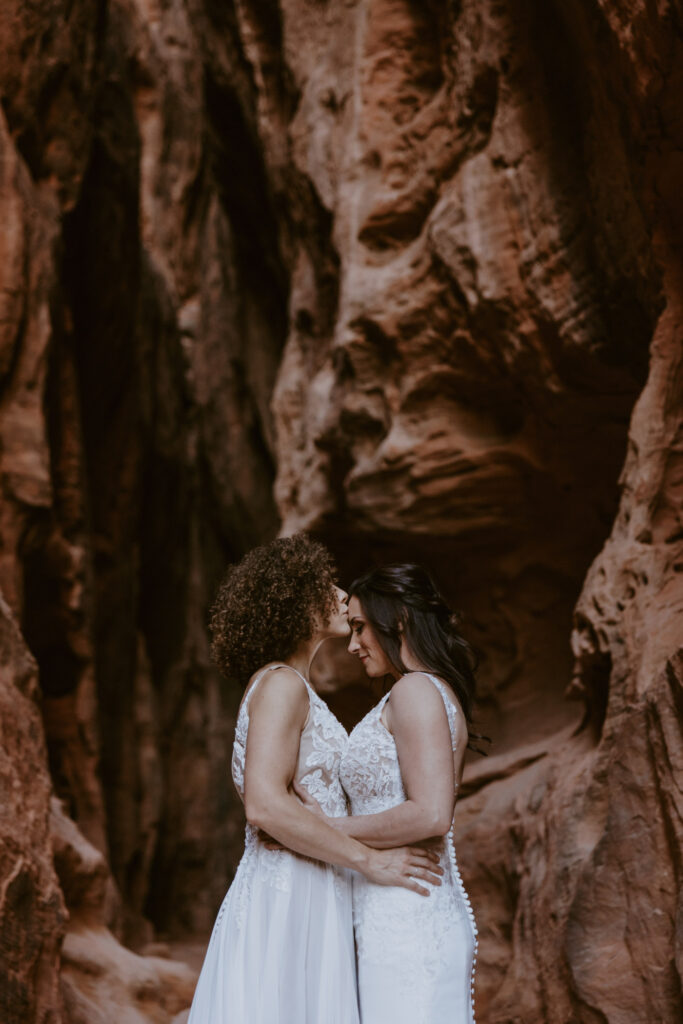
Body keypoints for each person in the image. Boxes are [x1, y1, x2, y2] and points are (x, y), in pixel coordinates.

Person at [187, 538, 443, 1024]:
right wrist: (371, 862)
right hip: (291, 887)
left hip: (309, 879)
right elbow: (263, 804)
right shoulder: (283, 683)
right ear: (294, 602)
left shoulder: (288, 684)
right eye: (323, 585)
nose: (341, 592)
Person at [296, 563, 479, 1024]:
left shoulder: (416, 691)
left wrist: (325, 829)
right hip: (392, 907)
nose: (353, 644)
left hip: (407, 917)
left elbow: (432, 814)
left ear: (395, 621)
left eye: (360, 628)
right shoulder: (421, 690)